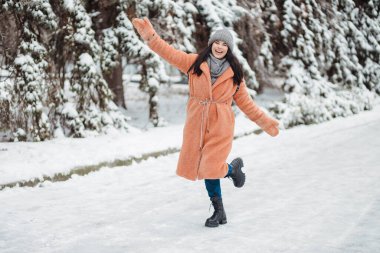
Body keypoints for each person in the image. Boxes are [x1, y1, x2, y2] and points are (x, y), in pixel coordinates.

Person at [132, 17, 280, 228]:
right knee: (204, 168)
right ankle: (225, 192)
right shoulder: (194, 63)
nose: (220, 47)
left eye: (224, 44)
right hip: (196, 125)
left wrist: (267, 123)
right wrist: (150, 35)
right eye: (217, 43)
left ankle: (221, 200)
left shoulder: (235, 75)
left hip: (220, 126)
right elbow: (168, 52)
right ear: (211, 44)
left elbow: (247, 105)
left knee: (210, 167)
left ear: (229, 48)